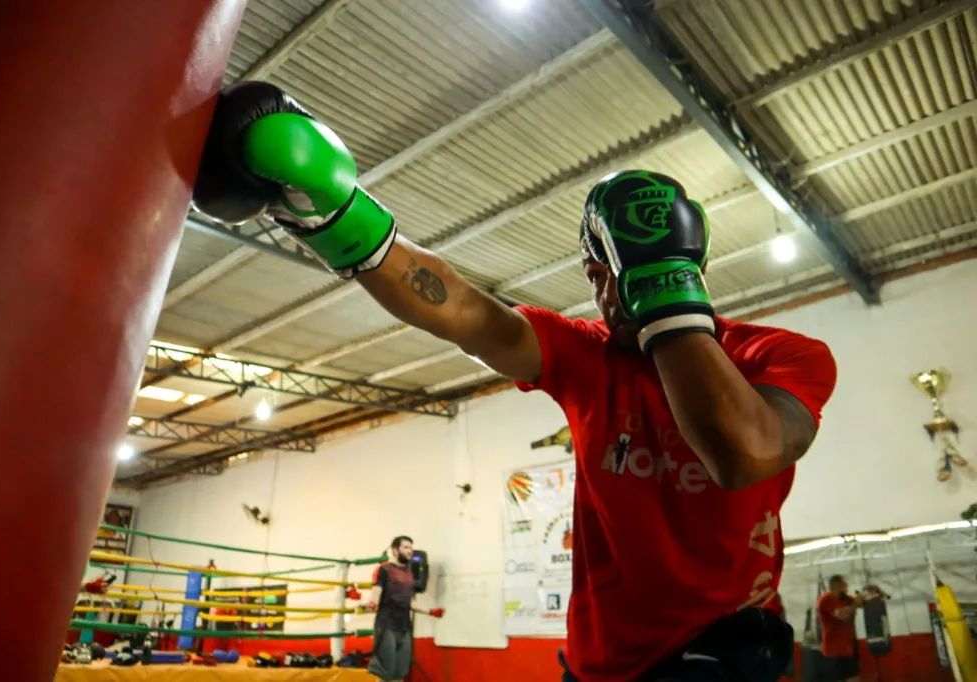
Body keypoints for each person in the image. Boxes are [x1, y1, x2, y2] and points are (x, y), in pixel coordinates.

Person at [194, 82, 838, 682]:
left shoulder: (781, 355)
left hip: (717, 652)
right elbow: (468, 313)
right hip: (597, 660)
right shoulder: (587, 358)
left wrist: (660, 287)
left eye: (617, 266)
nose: (607, 290)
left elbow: (743, 453)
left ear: (691, 263)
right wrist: (335, 213)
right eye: (599, 270)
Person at [360, 536, 444, 682]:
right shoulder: (383, 570)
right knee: (385, 672)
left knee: (400, 672)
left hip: (404, 628)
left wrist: (430, 611)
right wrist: (370, 604)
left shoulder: (409, 574)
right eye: (406, 547)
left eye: (411, 548)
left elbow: (410, 602)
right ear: (395, 550)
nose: (410, 551)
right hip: (386, 627)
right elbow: (376, 595)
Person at [817, 575, 865, 682]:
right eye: (844, 584)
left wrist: (875, 595)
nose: (846, 587)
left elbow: (862, 602)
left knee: (854, 678)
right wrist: (855, 605)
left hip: (848, 647)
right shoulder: (826, 599)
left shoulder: (846, 599)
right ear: (836, 586)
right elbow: (841, 615)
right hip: (833, 650)